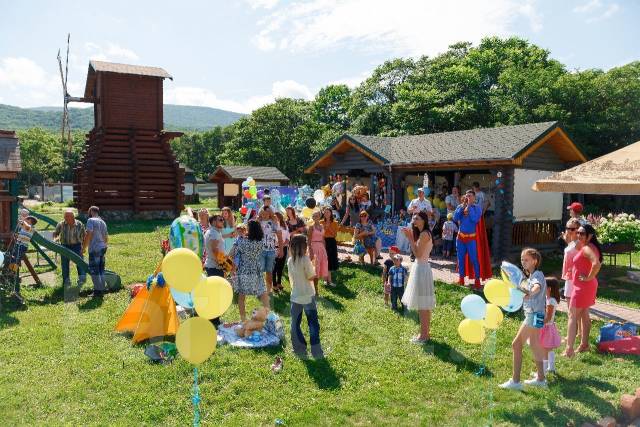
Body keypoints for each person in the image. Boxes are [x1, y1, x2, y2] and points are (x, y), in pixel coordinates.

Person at [499, 248, 547, 391]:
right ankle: (541, 379)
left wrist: (530, 292)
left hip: (534, 315)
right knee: (534, 344)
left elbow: (537, 287)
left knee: (516, 344)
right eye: (522, 259)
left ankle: (515, 381)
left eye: (526, 259)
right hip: (538, 315)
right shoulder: (530, 277)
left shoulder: (537, 275)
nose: (523, 262)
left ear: (535, 261)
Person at [564, 224, 602, 357]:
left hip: (582, 287)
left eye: (582, 234)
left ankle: (569, 350)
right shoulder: (590, 246)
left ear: (590, 236)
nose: (579, 235)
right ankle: (584, 345)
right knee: (585, 315)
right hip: (587, 286)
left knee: (572, 316)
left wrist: (588, 277)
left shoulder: (587, 248)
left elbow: (596, 263)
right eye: (578, 233)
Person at [288, 234, 324, 359]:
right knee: (313, 324)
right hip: (308, 295)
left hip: (295, 296)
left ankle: (299, 348)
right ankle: (316, 350)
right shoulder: (305, 259)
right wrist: (315, 266)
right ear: (303, 246)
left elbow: (291, 280)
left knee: (295, 324)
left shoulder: (289, 261)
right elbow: (310, 277)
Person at [401, 212, 435, 343]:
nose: (414, 220)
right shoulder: (423, 233)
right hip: (421, 268)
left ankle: (424, 336)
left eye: (417, 218)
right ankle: (426, 333)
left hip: (421, 268)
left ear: (423, 220)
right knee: (424, 303)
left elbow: (418, 254)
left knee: (423, 304)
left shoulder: (424, 234)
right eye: (413, 218)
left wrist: (410, 238)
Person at [230, 220, 270, 322]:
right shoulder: (261, 241)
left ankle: (243, 320)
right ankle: (268, 316)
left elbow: (232, 253)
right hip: (256, 269)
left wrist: (237, 241)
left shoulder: (242, 241)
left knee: (241, 296)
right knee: (263, 293)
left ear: (249, 229)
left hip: (244, 269)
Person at [453, 190, 482, 289]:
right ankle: (461, 279)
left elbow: (475, 219)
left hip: (471, 239)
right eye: (466, 196)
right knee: (460, 259)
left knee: (474, 259)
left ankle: (477, 280)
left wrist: (469, 207)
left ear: (474, 198)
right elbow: (455, 218)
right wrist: (462, 207)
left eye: (470, 196)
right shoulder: (460, 206)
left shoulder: (477, 208)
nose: (467, 198)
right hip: (460, 238)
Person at [53, 209, 86, 286]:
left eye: (67, 216)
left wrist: (83, 247)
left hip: (77, 245)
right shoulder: (61, 224)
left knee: (80, 263)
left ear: (73, 217)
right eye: (65, 216)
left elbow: (84, 236)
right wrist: (55, 239)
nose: (65, 218)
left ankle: (82, 280)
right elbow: (55, 233)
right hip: (65, 246)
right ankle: (66, 281)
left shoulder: (79, 224)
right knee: (64, 264)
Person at [82, 206, 108, 297]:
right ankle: (101, 289)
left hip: (94, 248)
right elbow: (105, 236)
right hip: (102, 248)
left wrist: (83, 247)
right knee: (101, 270)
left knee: (94, 270)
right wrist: (105, 245)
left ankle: (97, 292)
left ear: (91, 211)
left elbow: (89, 234)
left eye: (89, 211)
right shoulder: (103, 222)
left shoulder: (91, 220)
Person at [258, 206, 283, 294]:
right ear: (261, 213)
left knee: (269, 271)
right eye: (263, 213)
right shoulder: (258, 222)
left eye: (267, 213)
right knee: (260, 271)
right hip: (260, 250)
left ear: (270, 214)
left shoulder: (274, 222)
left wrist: (281, 249)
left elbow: (279, 236)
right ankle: (261, 289)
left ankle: (268, 289)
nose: (265, 215)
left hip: (271, 250)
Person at [539, 278, 561, 375]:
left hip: (546, 327)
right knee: (549, 348)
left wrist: (538, 323)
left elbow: (548, 318)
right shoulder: (549, 299)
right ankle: (551, 368)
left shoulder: (550, 301)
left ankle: (542, 372)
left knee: (544, 349)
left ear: (549, 289)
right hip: (548, 327)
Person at [308, 210, 330, 292]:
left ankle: (315, 288)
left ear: (320, 216)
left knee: (320, 267)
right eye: (314, 216)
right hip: (314, 248)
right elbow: (308, 241)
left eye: (317, 216)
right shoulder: (311, 227)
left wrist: (325, 250)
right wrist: (310, 252)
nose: (315, 217)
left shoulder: (322, 226)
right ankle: (315, 289)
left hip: (321, 248)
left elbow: (323, 239)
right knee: (314, 269)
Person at [561, 218, 581, 310]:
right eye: (567, 228)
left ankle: (573, 324)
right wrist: (568, 241)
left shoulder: (579, 243)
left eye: (572, 229)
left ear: (578, 229)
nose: (569, 231)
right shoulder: (572, 242)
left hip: (575, 276)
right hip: (569, 276)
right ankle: (574, 323)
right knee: (570, 306)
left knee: (572, 308)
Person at [272, 212, 289, 293]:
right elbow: (272, 237)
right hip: (275, 247)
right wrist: (279, 245)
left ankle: (279, 283)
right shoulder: (272, 226)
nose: (276, 218)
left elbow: (288, 236)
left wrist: (285, 243)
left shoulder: (285, 225)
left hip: (284, 247)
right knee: (274, 267)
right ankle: (274, 284)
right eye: (275, 217)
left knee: (281, 267)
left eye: (277, 217)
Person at [322, 207, 339, 287]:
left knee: (330, 260)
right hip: (323, 241)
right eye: (325, 212)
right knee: (324, 259)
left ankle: (329, 279)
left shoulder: (335, 223)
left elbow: (334, 235)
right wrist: (325, 229)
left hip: (331, 242)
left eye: (328, 212)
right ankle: (325, 279)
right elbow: (320, 234)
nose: (326, 214)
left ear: (331, 213)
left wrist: (329, 228)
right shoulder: (321, 222)